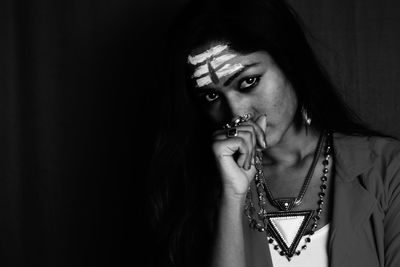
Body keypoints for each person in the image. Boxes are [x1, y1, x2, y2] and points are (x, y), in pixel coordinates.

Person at [147, 0, 400, 266]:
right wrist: (232, 197)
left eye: (248, 82)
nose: (236, 112)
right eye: (212, 96)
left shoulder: (386, 169)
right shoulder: (201, 190)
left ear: (290, 64)